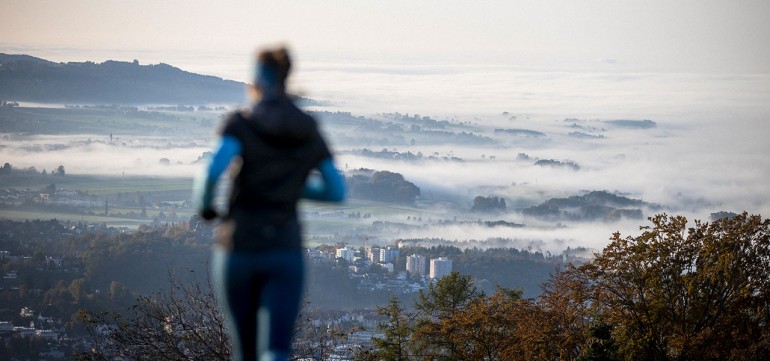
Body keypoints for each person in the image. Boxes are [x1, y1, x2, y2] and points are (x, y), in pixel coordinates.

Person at [194, 46, 346, 361]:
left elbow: (211, 171)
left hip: (238, 246)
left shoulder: (241, 123)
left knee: (244, 351)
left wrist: (207, 206)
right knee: (277, 349)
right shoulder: (307, 127)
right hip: (285, 247)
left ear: (257, 79)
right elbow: (336, 190)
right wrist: (290, 189)